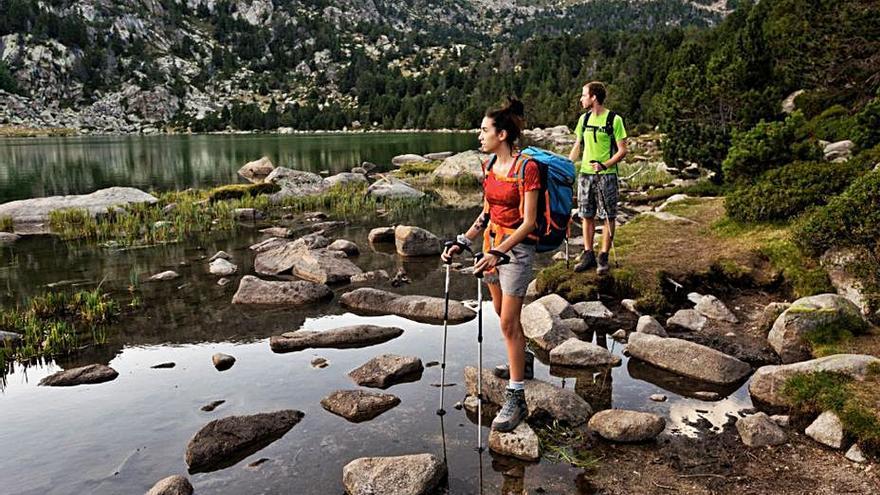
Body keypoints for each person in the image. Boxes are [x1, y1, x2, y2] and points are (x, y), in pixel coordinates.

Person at [441, 98, 539, 432]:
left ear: (503, 133)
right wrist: (463, 241)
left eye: (484, 130)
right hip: (490, 246)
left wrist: (499, 253)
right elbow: (486, 213)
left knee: (508, 323)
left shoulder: (527, 169)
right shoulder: (488, 168)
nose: (479, 135)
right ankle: (523, 361)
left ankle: (516, 397)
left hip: (517, 251)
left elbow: (528, 222)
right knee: (501, 312)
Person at [568, 81, 627, 274]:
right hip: (585, 174)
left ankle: (603, 255)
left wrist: (605, 165)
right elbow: (577, 145)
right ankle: (588, 254)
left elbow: (622, 151)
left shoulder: (614, 120)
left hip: (606, 175)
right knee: (586, 214)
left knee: (608, 216)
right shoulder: (583, 120)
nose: (581, 99)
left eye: (584, 95)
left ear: (594, 97)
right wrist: (568, 166)